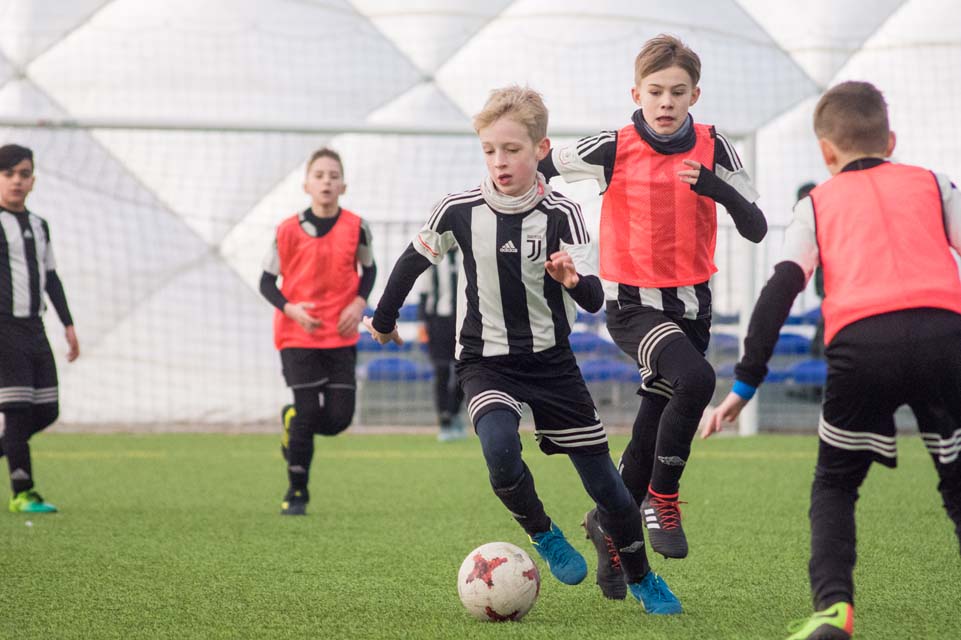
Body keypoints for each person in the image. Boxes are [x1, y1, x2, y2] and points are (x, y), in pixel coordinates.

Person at [365, 86, 682, 614]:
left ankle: (643, 577)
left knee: (610, 490)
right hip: (484, 363)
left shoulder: (563, 213)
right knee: (498, 449)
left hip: (552, 365)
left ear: (540, 149)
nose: (499, 161)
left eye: (511, 149)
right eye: (490, 149)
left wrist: (571, 279)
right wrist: (383, 318)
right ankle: (543, 533)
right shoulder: (458, 209)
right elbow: (412, 260)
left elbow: (594, 296)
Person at [704, 81, 961, 640]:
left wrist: (744, 386)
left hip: (861, 346)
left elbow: (779, 291)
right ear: (891, 140)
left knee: (837, 485)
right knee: (956, 480)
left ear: (826, 152)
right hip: (944, 336)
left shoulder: (815, 204)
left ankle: (835, 609)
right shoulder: (934, 183)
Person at [538, 34, 767, 590]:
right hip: (632, 304)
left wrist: (714, 188)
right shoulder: (610, 147)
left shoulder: (716, 146)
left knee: (651, 424)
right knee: (698, 379)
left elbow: (757, 227)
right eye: (656, 91)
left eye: (678, 92)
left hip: (692, 307)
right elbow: (540, 169)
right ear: (636, 93)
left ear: (695, 96)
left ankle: (607, 524)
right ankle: (661, 498)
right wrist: (553, 238)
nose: (666, 102)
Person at [259, 147, 376, 516]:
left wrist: (358, 303)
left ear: (343, 186)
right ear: (306, 185)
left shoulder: (357, 227)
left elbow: (369, 270)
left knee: (339, 419)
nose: (327, 181)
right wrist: (291, 309)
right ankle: (297, 492)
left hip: (340, 336)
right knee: (308, 412)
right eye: (319, 175)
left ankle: (291, 421)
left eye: (333, 176)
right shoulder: (286, 230)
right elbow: (266, 282)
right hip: (297, 336)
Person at [0, 143, 79, 514]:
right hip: (4, 328)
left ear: (33, 180)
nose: (17, 181)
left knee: (47, 410)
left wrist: (68, 324)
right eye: (8, 174)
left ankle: (19, 473)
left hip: (35, 328)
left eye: (24, 174)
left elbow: (51, 276)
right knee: (17, 412)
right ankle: (23, 492)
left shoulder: (39, 225)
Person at [418, 249, 466, 441]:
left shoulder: (468, 252)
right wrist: (423, 323)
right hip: (439, 322)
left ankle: (454, 412)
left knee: (464, 371)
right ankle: (444, 420)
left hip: (464, 321)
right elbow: (423, 294)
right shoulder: (433, 258)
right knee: (441, 370)